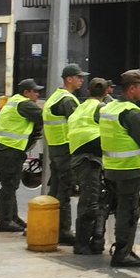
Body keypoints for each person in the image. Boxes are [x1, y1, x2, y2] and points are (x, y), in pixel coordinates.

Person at [95, 69, 140, 267]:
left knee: (119, 210)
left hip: (111, 168)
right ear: (131, 88)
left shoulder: (108, 108)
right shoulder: (132, 113)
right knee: (129, 211)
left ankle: (118, 248)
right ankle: (123, 253)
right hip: (129, 169)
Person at [0, 79, 45, 232]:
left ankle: (13, 218)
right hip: (8, 150)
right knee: (9, 186)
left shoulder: (13, 101)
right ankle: (5, 222)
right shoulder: (25, 104)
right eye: (35, 91)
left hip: (0, 148)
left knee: (11, 185)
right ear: (26, 92)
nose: (38, 94)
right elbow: (45, 116)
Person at [43, 64, 87, 245]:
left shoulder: (55, 97)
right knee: (64, 190)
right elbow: (78, 125)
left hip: (55, 149)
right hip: (65, 149)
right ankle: (63, 230)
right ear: (69, 79)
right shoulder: (67, 100)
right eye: (79, 77)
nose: (82, 80)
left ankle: (50, 224)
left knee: (55, 190)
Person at [68, 77, 107, 254]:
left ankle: (86, 241)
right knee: (90, 202)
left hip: (77, 156)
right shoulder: (100, 108)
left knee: (88, 199)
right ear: (106, 93)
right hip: (90, 159)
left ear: (88, 91)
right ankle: (82, 243)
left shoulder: (80, 107)